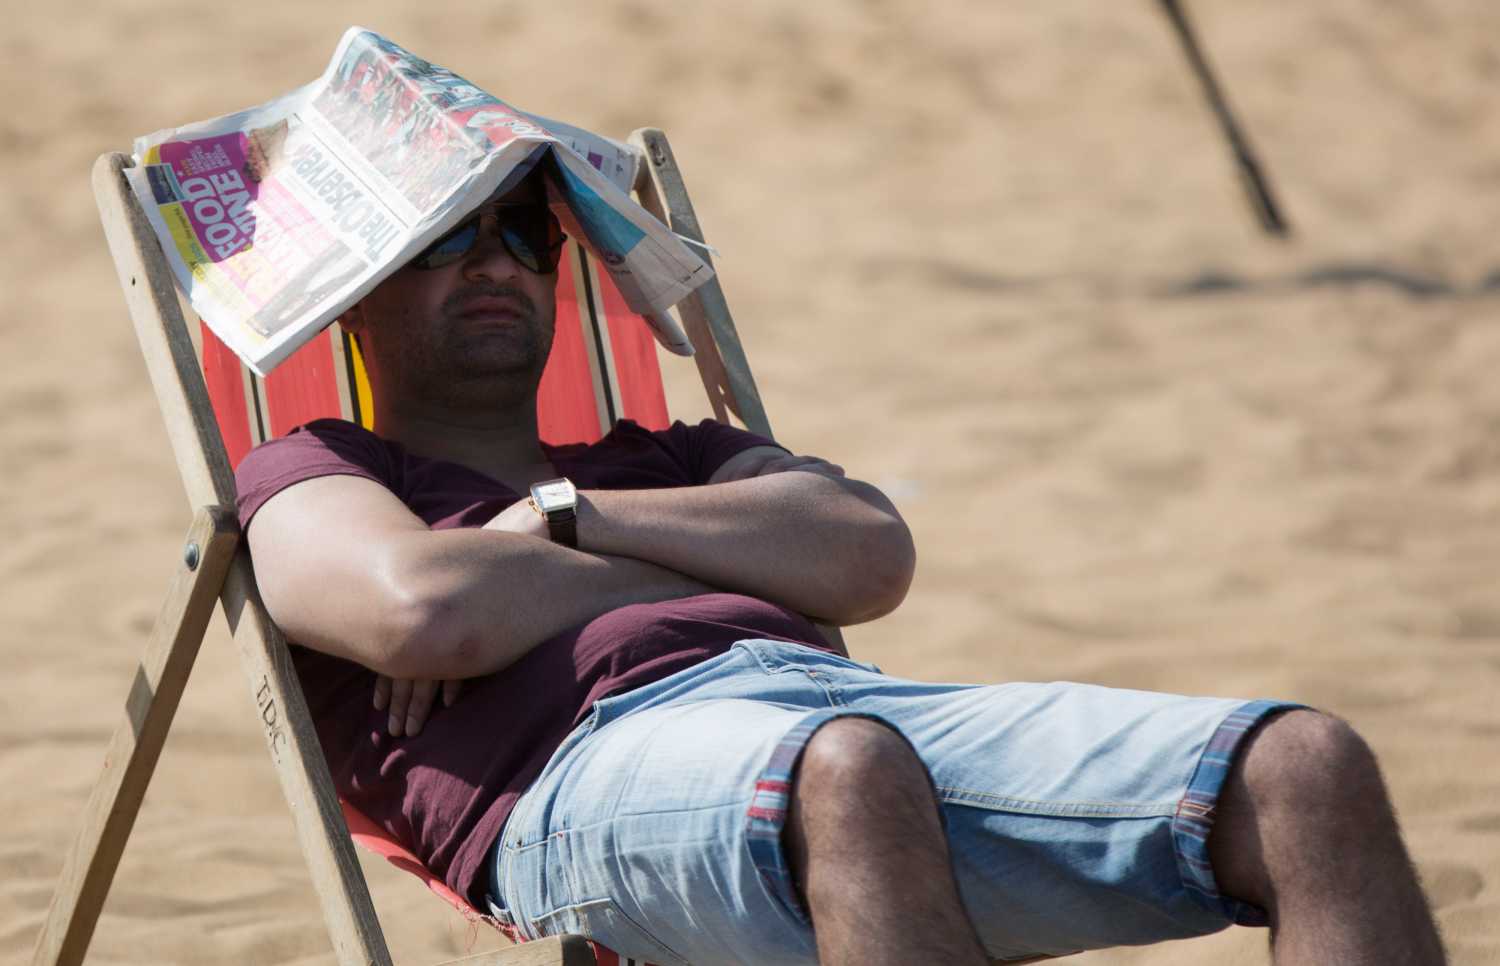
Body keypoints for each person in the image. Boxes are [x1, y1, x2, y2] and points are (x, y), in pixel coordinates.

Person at [236, 168, 1447, 966]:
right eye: (448, 238)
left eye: (524, 234)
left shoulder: (665, 455)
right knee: (850, 774)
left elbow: (867, 552)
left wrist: (564, 523)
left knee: (1305, 766)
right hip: (584, 780)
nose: (497, 263)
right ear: (355, 291)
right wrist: (724, 565)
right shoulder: (316, 466)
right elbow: (424, 611)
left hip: (851, 728)